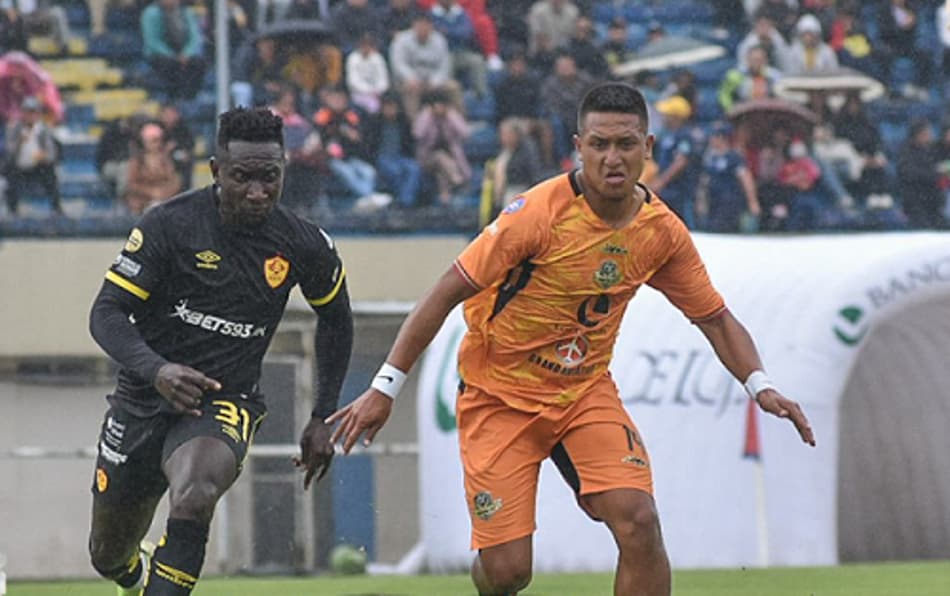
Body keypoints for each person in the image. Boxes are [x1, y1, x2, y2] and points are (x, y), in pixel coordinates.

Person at [327, 82, 815, 596]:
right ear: (578, 146)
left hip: (583, 394)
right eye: (599, 144)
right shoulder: (535, 215)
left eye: (626, 144)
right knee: (509, 572)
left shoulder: (661, 233)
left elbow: (714, 318)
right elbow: (445, 292)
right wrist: (385, 386)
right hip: (500, 397)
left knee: (639, 521)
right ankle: (491, 572)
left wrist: (760, 384)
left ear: (647, 148)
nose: (612, 158)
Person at [87, 107, 353, 596]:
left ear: (284, 172)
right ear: (216, 171)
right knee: (107, 553)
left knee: (195, 495)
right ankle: (132, 574)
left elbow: (336, 318)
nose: (257, 192)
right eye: (242, 178)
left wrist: (322, 414)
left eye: (269, 178)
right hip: (144, 398)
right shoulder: (169, 225)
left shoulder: (304, 243)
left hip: (224, 401)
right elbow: (105, 313)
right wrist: (157, 369)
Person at [3, 95, 61, 216]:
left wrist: (44, 156)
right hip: (19, 166)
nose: (30, 115)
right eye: (28, 112)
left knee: (50, 173)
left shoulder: (43, 130)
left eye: (33, 112)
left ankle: (56, 208)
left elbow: (52, 153)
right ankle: (12, 210)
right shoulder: (14, 128)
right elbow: (9, 153)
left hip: (37, 166)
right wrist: (20, 142)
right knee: (10, 175)